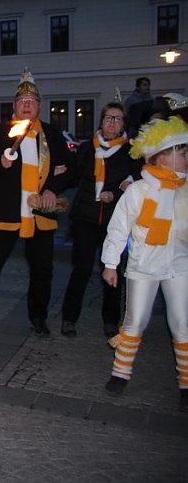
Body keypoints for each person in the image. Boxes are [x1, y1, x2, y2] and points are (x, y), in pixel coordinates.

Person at [0, 69, 75, 336]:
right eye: (22, 102)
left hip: (41, 212)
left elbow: (68, 168)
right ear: (14, 106)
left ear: (39, 106)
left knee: (42, 269)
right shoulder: (0, 133)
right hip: (5, 212)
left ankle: (38, 317)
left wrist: (53, 188)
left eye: (32, 102)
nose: (27, 105)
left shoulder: (52, 135)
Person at [101, 117, 188, 411]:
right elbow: (117, 229)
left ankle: (186, 383)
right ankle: (120, 373)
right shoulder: (138, 191)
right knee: (135, 321)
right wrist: (110, 264)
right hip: (143, 268)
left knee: (182, 324)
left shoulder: (186, 189)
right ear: (163, 158)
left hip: (180, 266)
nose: (187, 157)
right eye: (182, 151)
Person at [59, 99, 141, 338]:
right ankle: (69, 318)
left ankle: (110, 320)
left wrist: (115, 192)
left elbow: (140, 177)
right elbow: (74, 175)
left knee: (112, 269)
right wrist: (58, 176)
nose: (112, 123)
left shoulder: (131, 150)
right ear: (101, 122)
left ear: (123, 123)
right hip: (85, 217)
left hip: (115, 220)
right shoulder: (87, 148)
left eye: (117, 119)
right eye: (108, 118)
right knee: (81, 268)